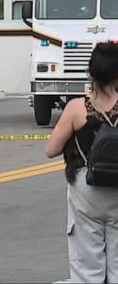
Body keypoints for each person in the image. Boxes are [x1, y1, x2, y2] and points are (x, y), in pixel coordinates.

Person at [46, 42, 118, 283]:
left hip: (86, 190)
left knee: (86, 263)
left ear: (92, 71)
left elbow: (51, 149)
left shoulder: (77, 108)